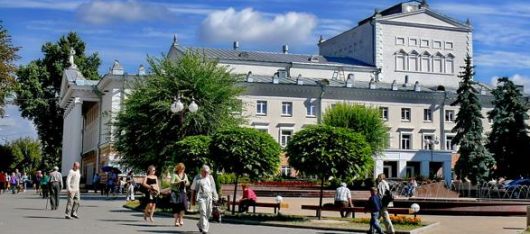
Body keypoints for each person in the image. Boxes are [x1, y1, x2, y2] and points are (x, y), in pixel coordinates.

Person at [191, 165, 218, 234]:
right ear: (201, 171)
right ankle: (204, 229)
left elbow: (213, 188)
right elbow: (193, 189)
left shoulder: (210, 177)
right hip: (201, 196)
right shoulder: (197, 178)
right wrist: (192, 200)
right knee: (203, 212)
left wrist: (215, 197)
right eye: (205, 172)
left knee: (208, 212)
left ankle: (200, 224)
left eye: (207, 172)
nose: (206, 173)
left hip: (209, 196)